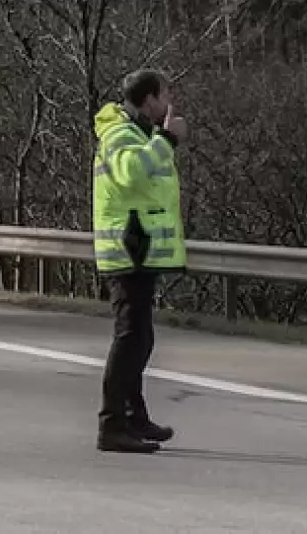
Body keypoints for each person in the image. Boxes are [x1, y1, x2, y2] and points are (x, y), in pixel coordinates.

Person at [92, 69, 187, 454]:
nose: (168, 102)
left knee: (140, 338)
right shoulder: (119, 134)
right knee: (131, 337)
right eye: (164, 95)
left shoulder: (138, 133)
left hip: (139, 248)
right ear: (149, 99)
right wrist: (168, 139)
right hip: (128, 248)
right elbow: (132, 174)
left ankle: (133, 416)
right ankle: (112, 424)